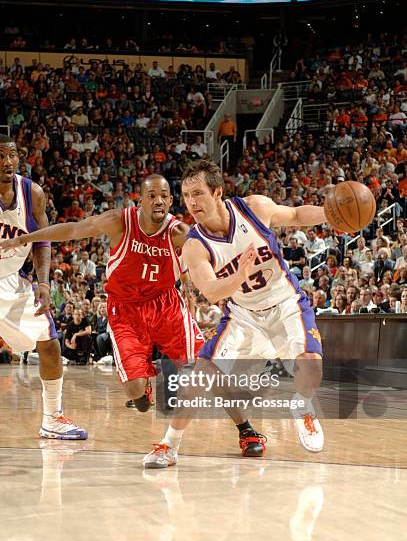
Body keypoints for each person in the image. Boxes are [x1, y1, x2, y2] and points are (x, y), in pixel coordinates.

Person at [144, 160, 325, 468]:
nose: (192, 202)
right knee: (201, 373)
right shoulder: (194, 245)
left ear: (218, 192)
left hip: (286, 302)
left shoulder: (254, 207)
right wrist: (240, 275)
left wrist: (331, 215)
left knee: (311, 368)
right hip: (243, 314)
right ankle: (169, 445)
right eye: (187, 195)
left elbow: (295, 215)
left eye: (199, 193)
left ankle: (303, 407)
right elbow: (212, 291)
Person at [0, 174, 205, 411]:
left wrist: (192, 293)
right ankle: (142, 384)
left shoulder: (179, 232)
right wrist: (26, 238)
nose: (158, 200)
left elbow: (197, 261)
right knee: (138, 399)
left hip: (164, 303)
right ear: (140, 200)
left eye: (163, 196)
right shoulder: (119, 220)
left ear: (170, 201)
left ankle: (245, 428)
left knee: (206, 366)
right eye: (151, 196)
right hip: (126, 307)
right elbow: (73, 230)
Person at [0, 134, 87, 439]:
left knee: (49, 342)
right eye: (0, 156)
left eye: (11, 155)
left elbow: (43, 239)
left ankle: (52, 417)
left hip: (11, 280)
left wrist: (43, 283)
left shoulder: (32, 193)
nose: (7, 162)